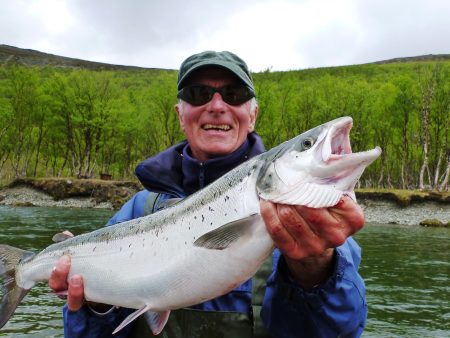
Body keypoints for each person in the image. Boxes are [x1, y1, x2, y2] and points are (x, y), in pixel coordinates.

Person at [49, 51, 367, 338]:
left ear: (253, 115)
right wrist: (96, 306)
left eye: (234, 94)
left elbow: (340, 331)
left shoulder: (320, 222)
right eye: (199, 94)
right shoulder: (138, 209)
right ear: (180, 114)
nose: (217, 106)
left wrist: (315, 273)